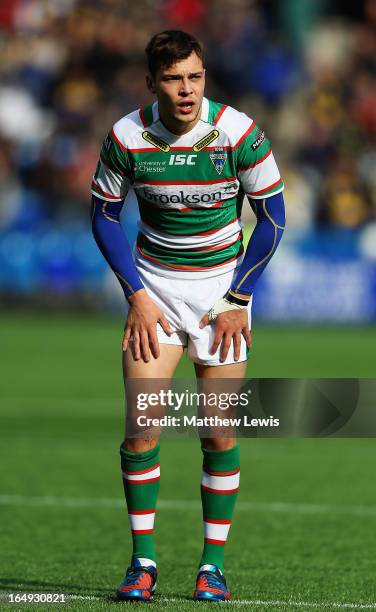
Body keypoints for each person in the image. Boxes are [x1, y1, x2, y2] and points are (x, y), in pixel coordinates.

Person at [91, 29, 285, 603]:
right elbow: (104, 215)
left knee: (218, 432)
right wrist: (135, 294)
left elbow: (272, 220)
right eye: (173, 79)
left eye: (195, 77)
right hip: (154, 294)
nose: (186, 90)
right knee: (142, 426)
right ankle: (142, 563)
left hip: (222, 297)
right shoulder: (126, 135)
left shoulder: (239, 134)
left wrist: (239, 299)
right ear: (152, 82)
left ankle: (212, 567)